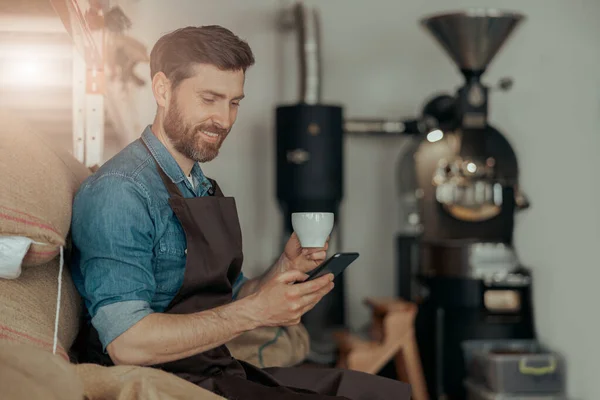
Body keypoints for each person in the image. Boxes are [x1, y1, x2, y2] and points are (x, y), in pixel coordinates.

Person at [70, 25, 411, 400]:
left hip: (214, 368)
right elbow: (126, 343)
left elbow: (230, 297)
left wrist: (283, 270)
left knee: (380, 392)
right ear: (163, 89)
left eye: (234, 102)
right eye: (210, 99)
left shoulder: (198, 184)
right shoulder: (121, 191)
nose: (225, 119)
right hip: (166, 384)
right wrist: (256, 314)